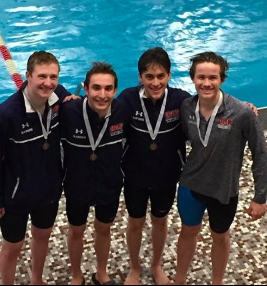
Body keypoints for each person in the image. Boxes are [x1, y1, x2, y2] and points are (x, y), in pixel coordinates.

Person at [174, 51, 267, 285]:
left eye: (213, 78)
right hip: (191, 185)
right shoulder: (187, 107)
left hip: (223, 190)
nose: (206, 83)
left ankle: (217, 282)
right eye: (201, 77)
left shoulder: (241, 113)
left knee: (220, 236)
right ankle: (179, 280)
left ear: (222, 79)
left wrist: (260, 197)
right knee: (188, 232)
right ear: (192, 78)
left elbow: (260, 154)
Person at [0, 51, 74, 285]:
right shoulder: (7, 114)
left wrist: (77, 102)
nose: (48, 83)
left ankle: (37, 280)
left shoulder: (58, 99)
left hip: (48, 189)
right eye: (41, 76)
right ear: (27, 76)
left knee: (42, 235)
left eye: (53, 77)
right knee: (13, 245)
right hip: (16, 194)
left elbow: (71, 102)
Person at [117, 47, 192, 285]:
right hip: (134, 176)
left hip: (167, 176)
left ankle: (156, 265)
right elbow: (101, 112)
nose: (155, 82)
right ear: (140, 77)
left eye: (161, 76)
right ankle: (135, 267)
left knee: (160, 221)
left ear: (169, 76)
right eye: (149, 77)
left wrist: (242, 107)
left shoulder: (180, 100)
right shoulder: (128, 100)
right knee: (135, 222)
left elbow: (210, 108)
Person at [60, 62, 129, 285]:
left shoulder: (122, 111)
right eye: (96, 88)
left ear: (115, 91)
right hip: (76, 184)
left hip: (108, 183)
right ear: (86, 89)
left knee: (103, 229)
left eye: (108, 89)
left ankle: (101, 273)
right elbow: (41, 95)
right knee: (76, 230)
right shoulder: (69, 111)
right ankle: (77, 276)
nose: (102, 95)